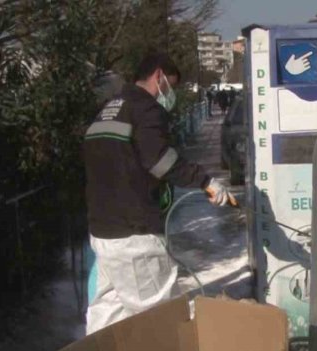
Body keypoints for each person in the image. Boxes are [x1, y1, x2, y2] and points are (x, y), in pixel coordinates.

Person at [83, 51, 236, 334]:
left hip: (104, 231)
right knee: (163, 316)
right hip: (134, 234)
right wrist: (206, 181)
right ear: (158, 76)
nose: (171, 94)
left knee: (108, 311)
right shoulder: (146, 108)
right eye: (172, 86)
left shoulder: (110, 108)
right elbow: (161, 161)